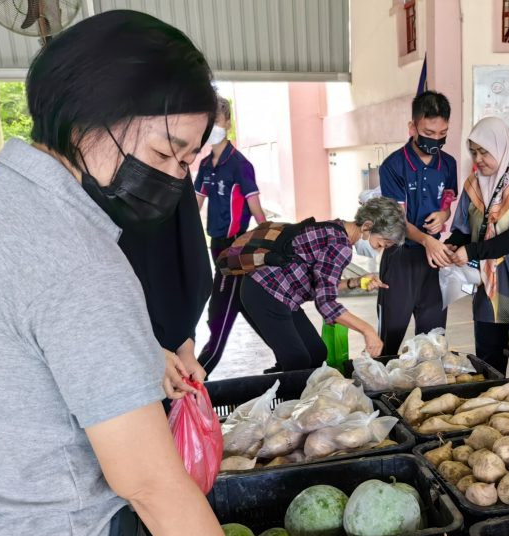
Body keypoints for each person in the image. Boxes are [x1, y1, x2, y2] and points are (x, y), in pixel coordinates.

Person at [0, 10, 322, 536]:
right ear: (89, 114)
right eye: (164, 152)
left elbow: (7, 342)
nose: (175, 179)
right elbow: (145, 476)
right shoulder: (76, 254)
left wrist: (136, 356)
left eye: (187, 161)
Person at [117, 173, 213, 536]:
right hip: (115, 355)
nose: (178, 164)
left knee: (150, 475)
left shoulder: (166, 178)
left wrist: (183, 343)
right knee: (135, 483)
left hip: (161, 352)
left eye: (186, 156)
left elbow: (188, 266)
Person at [240, 196, 407, 371]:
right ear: (366, 227)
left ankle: (288, 384)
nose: (380, 249)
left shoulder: (337, 227)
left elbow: (321, 287)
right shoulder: (340, 245)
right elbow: (325, 303)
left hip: (282, 295)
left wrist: (355, 282)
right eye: (382, 243)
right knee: (298, 362)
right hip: (265, 293)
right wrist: (368, 330)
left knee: (317, 353)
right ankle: (280, 391)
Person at [446, 117, 509, 374]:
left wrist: (470, 251)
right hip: (490, 287)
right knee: (488, 357)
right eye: (473, 152)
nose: (478, 159)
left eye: (484, 152)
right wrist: (449, 247)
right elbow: (462, 229)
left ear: (502, 147)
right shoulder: (473, 185)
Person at [378, 91, 459, 357]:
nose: (436, 139)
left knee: (432, 340)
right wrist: (426, 240)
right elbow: (398, 221)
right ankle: (384, 394)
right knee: (390, 336)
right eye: (428, 132)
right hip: (401, 259)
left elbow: (448, 197)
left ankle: (425, 391)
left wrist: (444, 215)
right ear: (412, 127)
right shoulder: (393, 166)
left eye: (442, 133)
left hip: (435, 261)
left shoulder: (448, 164)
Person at [195, 96, 267, 377]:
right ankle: (289, 358)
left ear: (227, 123)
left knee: (219, 312)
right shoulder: (204, 165)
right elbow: (196, 203)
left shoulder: (239, 164)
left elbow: (256, 208)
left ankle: (200, 373)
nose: (212, 126)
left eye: (216, 120)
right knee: (244, 304)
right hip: (216, 245)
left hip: (235, 248)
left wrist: (269, 236)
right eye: (207, 121)